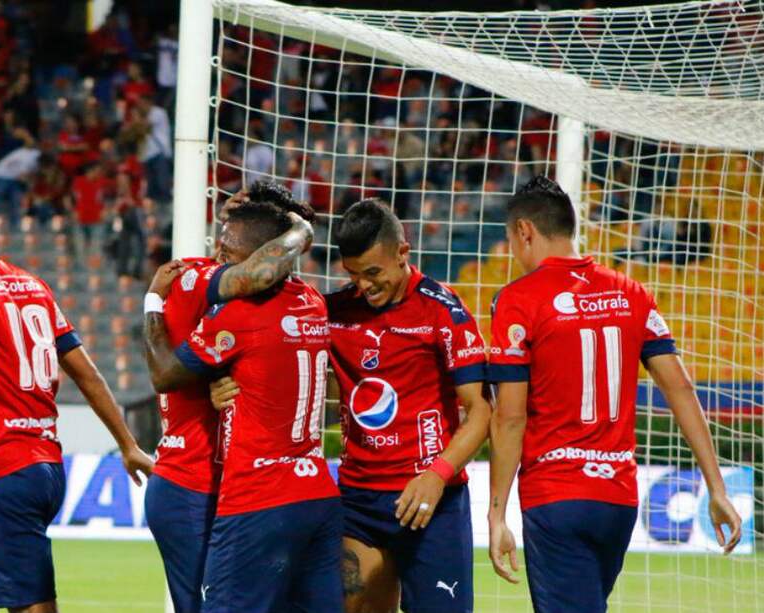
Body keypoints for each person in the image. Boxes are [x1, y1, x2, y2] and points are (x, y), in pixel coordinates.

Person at [213, 199, 490, 613]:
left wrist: (438, 474)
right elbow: (276, 350)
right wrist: (224, 381)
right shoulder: (335, 312)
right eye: (354, 275)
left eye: (374, 273)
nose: (364, 286)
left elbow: (481, 411)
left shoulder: (443, 311)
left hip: (433, 499)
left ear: (403, 253)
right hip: (360, 500)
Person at [486, 176, 743, 613]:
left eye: (511, 239)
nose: (512, 251)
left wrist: (496, 514)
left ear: (524, 231)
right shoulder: (631, 293)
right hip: (618, 501)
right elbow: (679, 386)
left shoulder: (517, 300)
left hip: (557, 497)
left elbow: (510, 417)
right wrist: (716, 488)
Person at [0, 176, 154, 613]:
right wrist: (128, 444)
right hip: (44, 468)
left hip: (4, 470)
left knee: (34, 606)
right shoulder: (30, 284)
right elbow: (89, 374)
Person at [145, 202, 342, 613]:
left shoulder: (234, 307)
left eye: (230, 252)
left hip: (252, 492)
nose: (221, 258)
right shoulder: (312, 302)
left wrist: (151, 304)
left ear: (270, 253)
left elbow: (165, 374)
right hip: (310, 488)